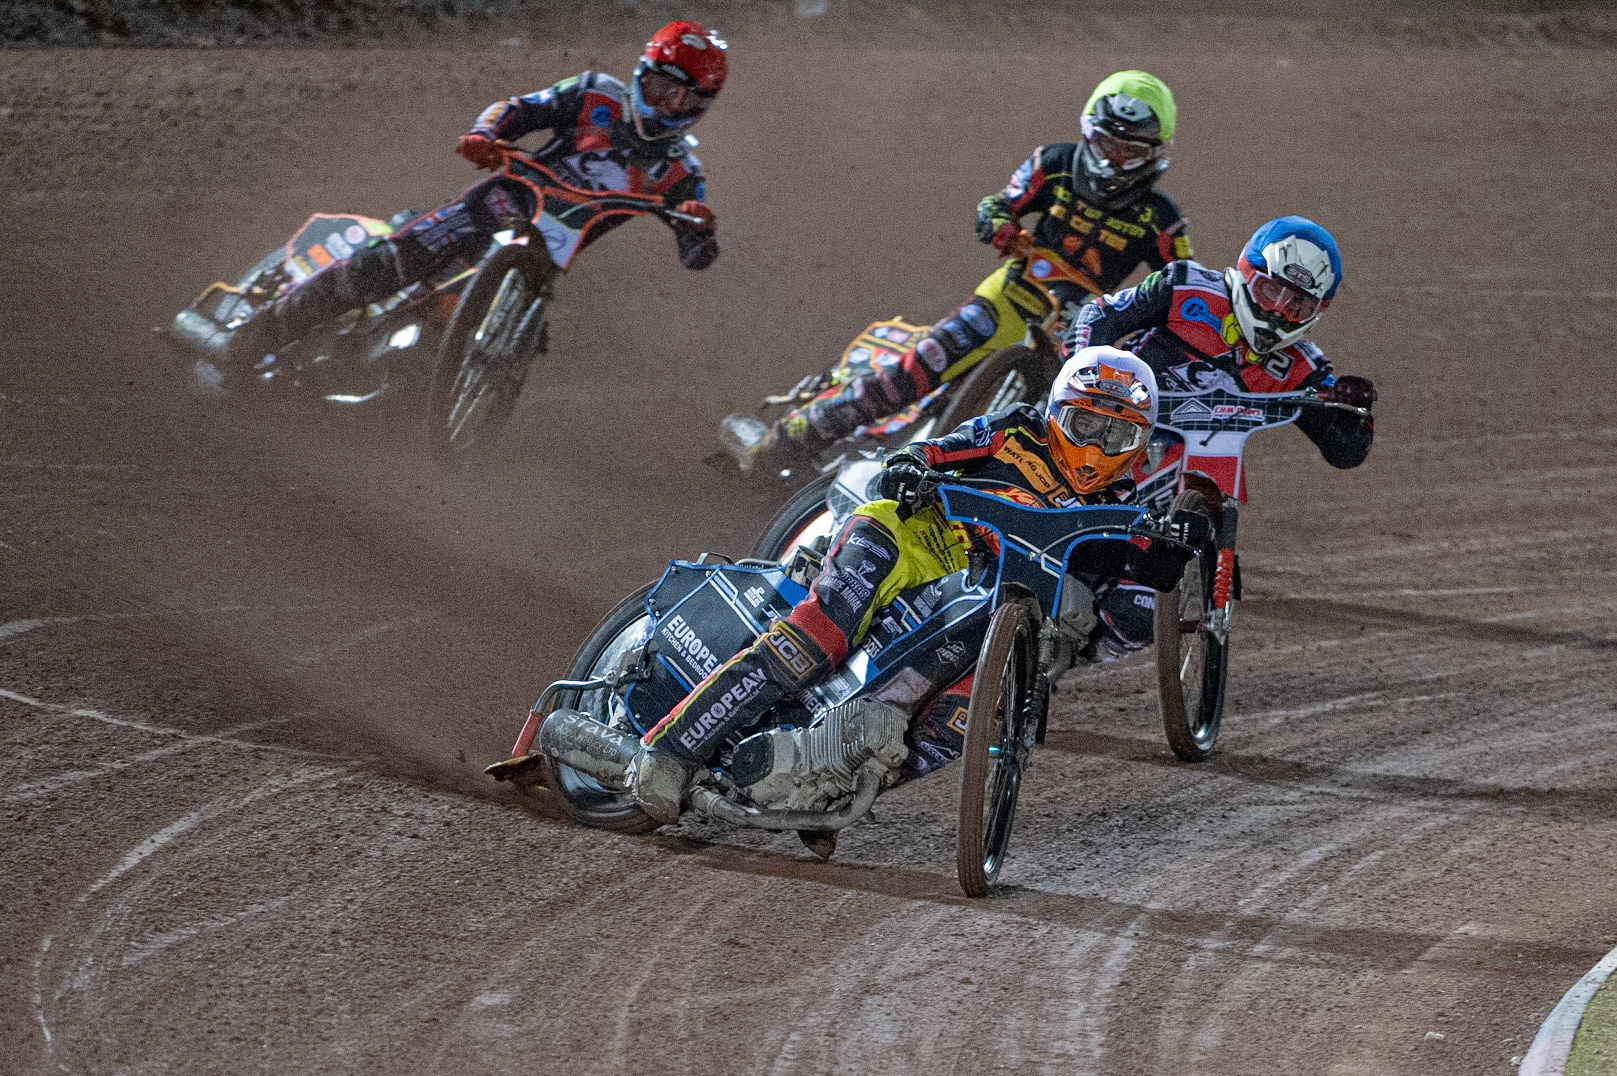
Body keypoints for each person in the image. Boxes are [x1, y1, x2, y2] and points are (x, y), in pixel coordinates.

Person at [631, 346, 1208, 830]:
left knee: (954, 727)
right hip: (908, 539)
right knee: (816, 637)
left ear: (1141, 443)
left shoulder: (1119, 509)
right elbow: (936, 449)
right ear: (1057, 413)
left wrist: (1182, 542)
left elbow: (1149, 576)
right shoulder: (1015, 431)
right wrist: (910, 464)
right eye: (1086, 425)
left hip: (983, 599)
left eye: (1117, 434)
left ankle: (825, 786)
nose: (1097, 447)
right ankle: (671, 747)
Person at [726, 69, 1194, 474]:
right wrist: (1001, 225)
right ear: (1089, 131)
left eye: (1128, 150)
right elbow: (997, 204)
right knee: (911, 372)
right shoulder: (1052, 163)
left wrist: (1155, 325)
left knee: (1059, 437)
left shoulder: (1162, 219)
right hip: (1008, 298)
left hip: (1079, 335)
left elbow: (1185, 285)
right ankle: (786, 439)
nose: (1112, 159)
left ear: (1153, 154)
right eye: (1106, 142)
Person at [227, 20, 727, 363]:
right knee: (399, 258)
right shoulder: (594, 92)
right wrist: (485, 135)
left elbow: (697, 254)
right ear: (642, 76)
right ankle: (263, 331)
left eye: (687, 99)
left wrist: (698, 227)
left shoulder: (681, 172)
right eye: (663, 89)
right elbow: (519, 108)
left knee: (515, 341)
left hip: (543, 263)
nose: (671, 105)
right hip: (500, 203)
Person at [1066, 214, 1377, 468]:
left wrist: (1354, 414)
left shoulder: (1304, 368)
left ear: (1318, 310)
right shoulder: (1184, 286)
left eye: (1298, 306)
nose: (1278, 313)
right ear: (1247, 272)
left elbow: (1345, 454)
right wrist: (1081, 377)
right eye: (1271, 291)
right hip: (1103, 425)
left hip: (1201, 467)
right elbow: (1098, 315)